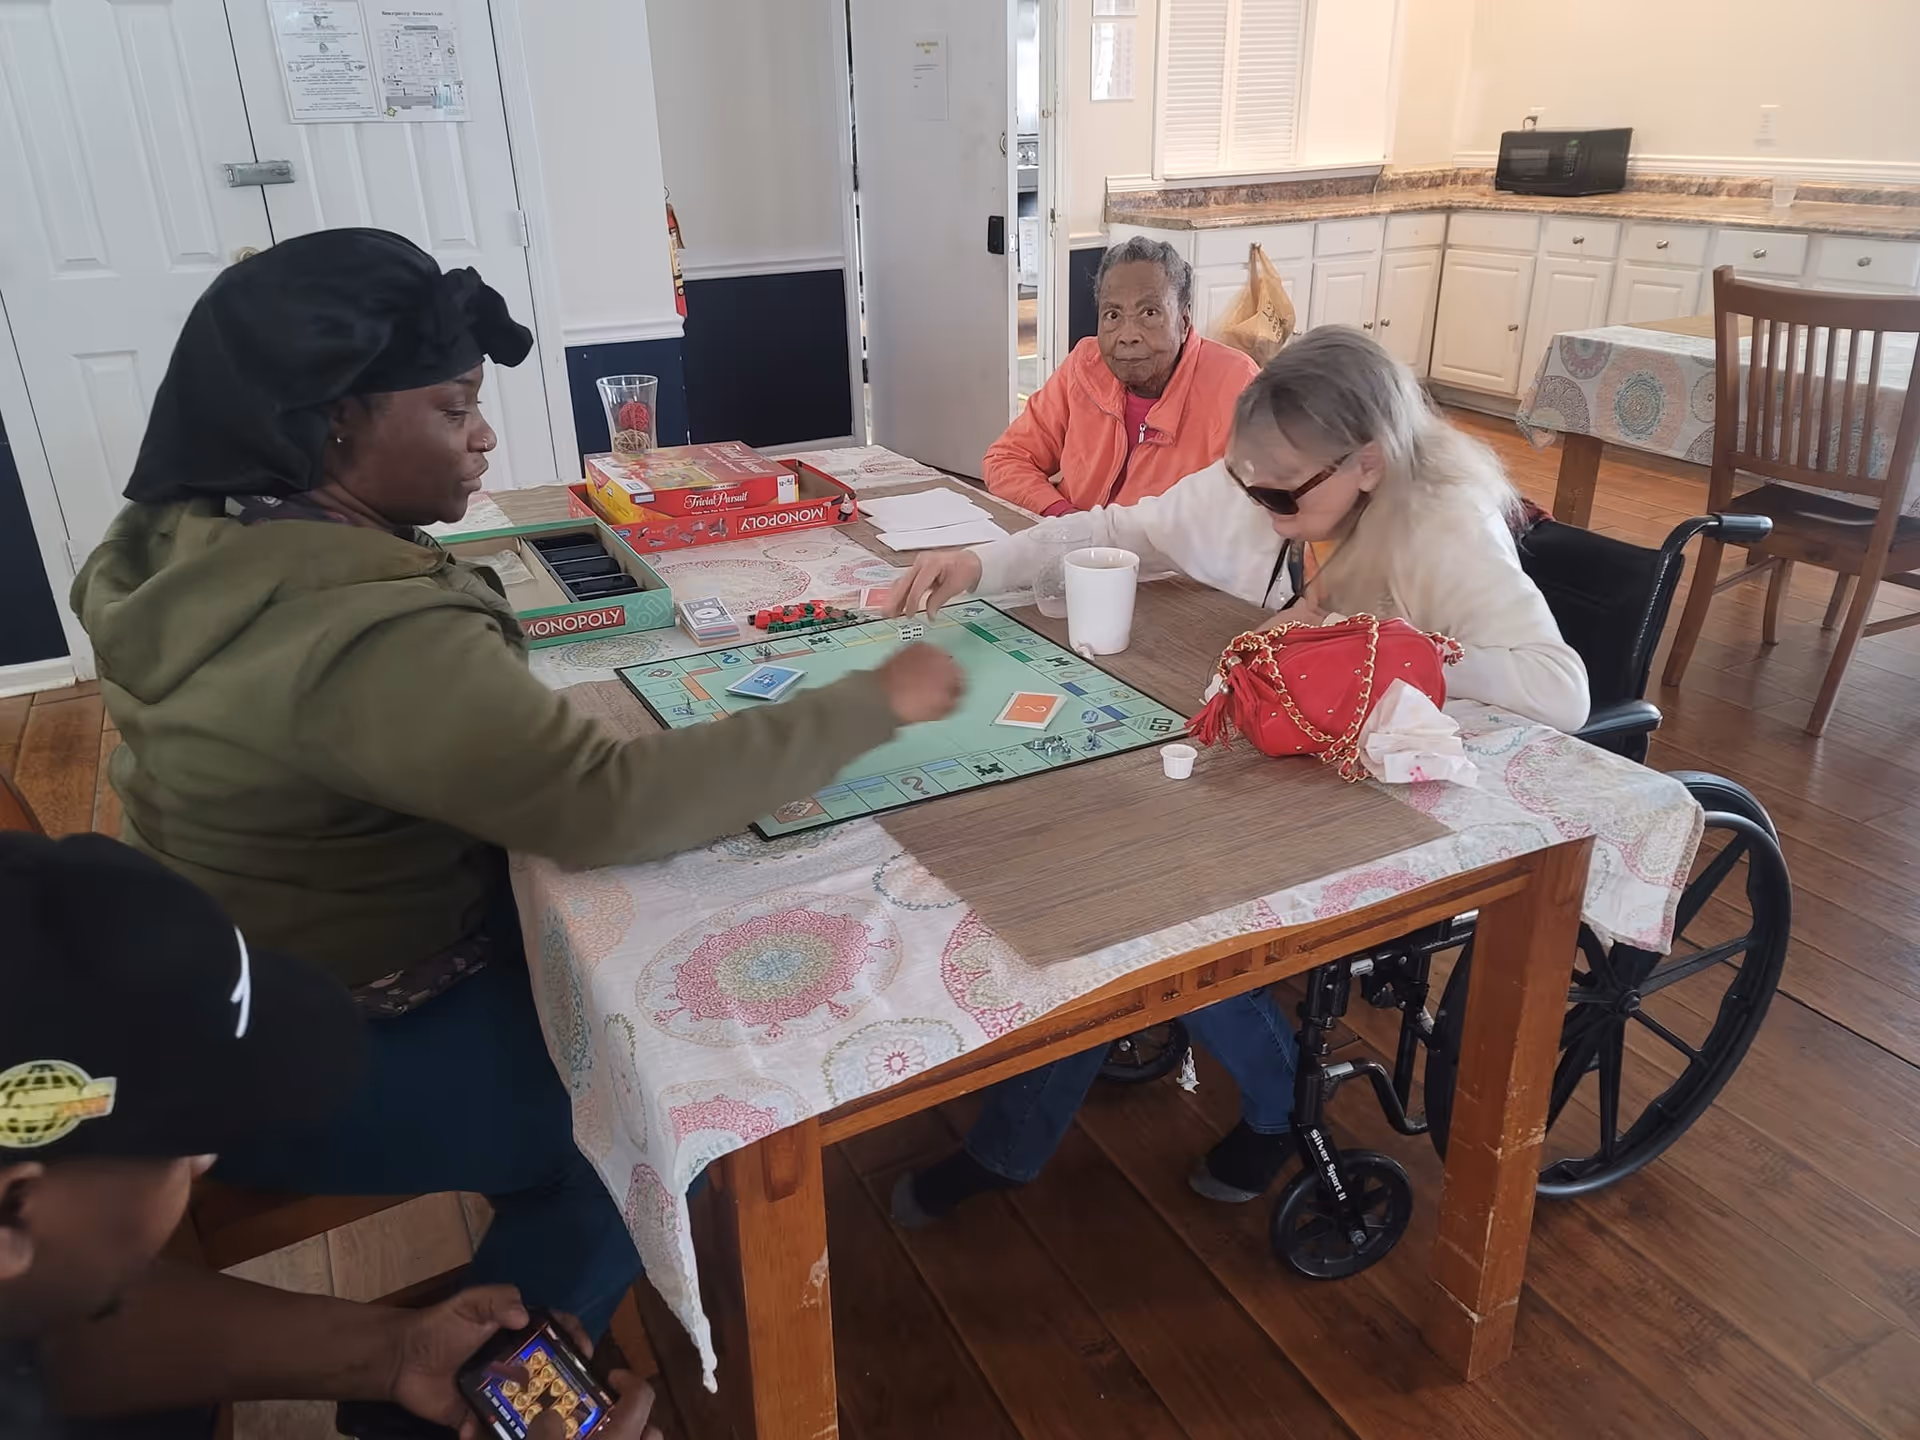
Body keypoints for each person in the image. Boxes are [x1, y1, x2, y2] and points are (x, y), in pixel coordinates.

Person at [68, 228, 963, 1339]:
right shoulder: (360, 633)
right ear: (333, 419)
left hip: (199, 986)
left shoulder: (181, 534)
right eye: (452, 408)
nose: (485, 434)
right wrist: (873, 700)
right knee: (668, 1104)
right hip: (304, 1055)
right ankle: (473, 1373)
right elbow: (607, 806)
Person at [884, 326, 1590, 1224]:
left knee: (1154, 893)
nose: (1256, 503)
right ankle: (1047, 1128)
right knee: (1109, 860)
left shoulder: (1444, 523)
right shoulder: (1268, 481)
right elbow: (1114, 529)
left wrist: (1380, 653)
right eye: (1247, 478)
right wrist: (979, 563)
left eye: (1279, 492)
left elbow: (1561, 690)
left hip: (1398, 787)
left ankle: (1239, 1110)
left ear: (1367, 465)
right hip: (1301, 752)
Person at [0, 831, 663, 1440]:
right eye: (187, 1142)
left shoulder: (36, 1289)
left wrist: (392, 1353)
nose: (206, 1163)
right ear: (15, 1210)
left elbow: (59, 1339)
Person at [984, 237, 1258, 516]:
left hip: (1169, 557)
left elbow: (1251, 514)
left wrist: (1113, 543)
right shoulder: (1085, 364)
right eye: (1113, 315)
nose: (1128, 336)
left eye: (1149, 313)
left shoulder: (1237, 383)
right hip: (1076, 550)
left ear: (1184, 322)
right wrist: (1065, 520)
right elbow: (1006, 459)